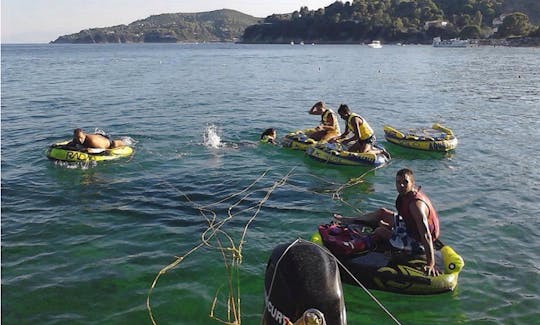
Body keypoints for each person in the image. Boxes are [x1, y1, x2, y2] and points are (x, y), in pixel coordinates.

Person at [334, 168, 441, 276]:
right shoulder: (405, 196)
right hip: (410, 227)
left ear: (413, 183)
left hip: (418, 241)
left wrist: (431, 263)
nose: (401, 185)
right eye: (398, 182)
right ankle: (350, 220)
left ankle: (357, 244)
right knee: (382, 212)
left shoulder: (416, 205)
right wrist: (392, 226)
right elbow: (405, 218)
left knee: (380, 231)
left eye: (405, 182)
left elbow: (426, 234)